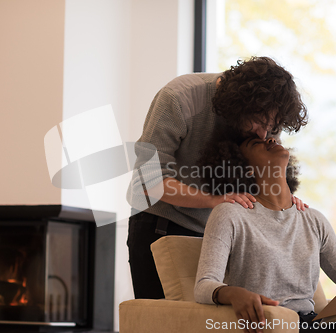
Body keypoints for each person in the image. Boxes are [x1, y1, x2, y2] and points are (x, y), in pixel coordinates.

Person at [193, 132, 336, 332]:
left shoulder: (313, 219)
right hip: (276, 324)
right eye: (256, 143)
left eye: (271, 137)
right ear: (246, 169)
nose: (271, 139)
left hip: (315, 323)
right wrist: (233, 293)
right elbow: (204, 285)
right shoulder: (230, 214)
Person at [127, 56, 309, 299]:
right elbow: (147, 181)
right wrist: (214, 201)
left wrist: (286, 204)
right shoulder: (179, 98)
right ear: (240, 105)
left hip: (219, 235)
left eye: (272, 126)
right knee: (163, 321)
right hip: (162, 227)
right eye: (259, 123)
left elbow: (264, 176)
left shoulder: (266, 117)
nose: (264, 133)